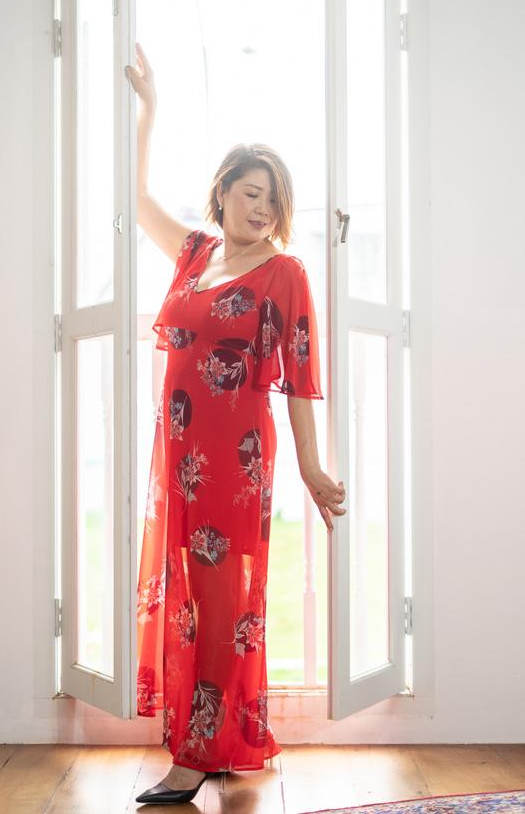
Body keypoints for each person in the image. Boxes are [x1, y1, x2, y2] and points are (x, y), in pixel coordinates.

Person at [125, 43, 347, 805]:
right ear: (220, 195)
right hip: (178, 458)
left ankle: (195, 756)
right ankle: (216, 738)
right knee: (190, 596)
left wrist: (314, 469)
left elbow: (299, 381)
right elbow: (135, 194)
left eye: (273, 201)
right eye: (251, 194)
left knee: (222, 601)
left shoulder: (282, 273)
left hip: (236, 459)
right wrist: (150, 114)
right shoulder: (192, 254)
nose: (262, 210)